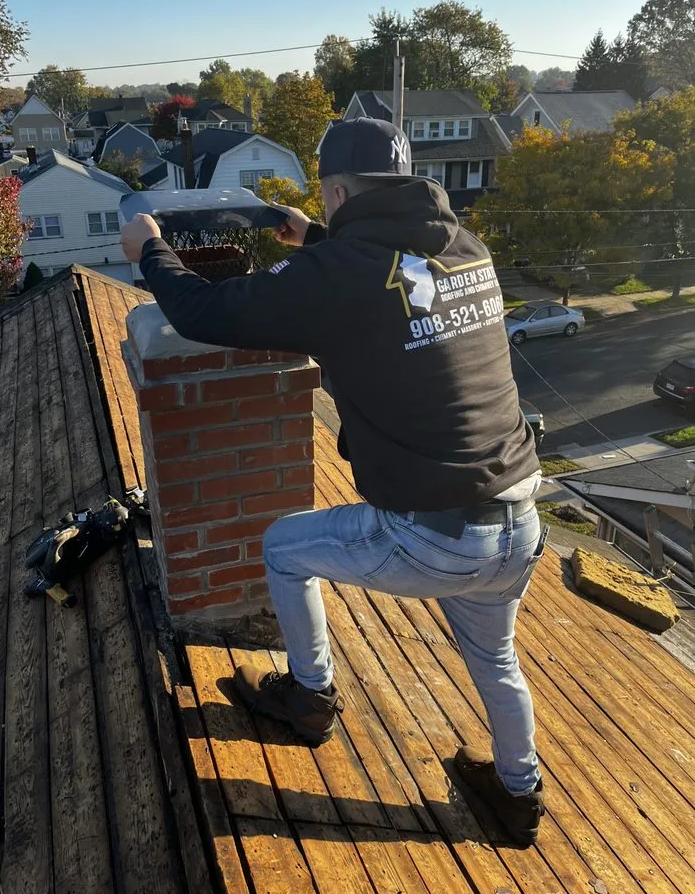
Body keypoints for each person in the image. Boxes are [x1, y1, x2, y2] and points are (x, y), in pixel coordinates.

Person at [121, 118, 547, 845]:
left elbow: (204, 310)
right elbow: (396, 278)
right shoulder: (468, 249)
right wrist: (315, 236)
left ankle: (310, 697)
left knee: (285, 547)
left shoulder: (340, 277)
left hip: (434, 534)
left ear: (339, 189)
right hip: (520, 523)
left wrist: (150, 250)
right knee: (497, 659)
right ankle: (519, 795)